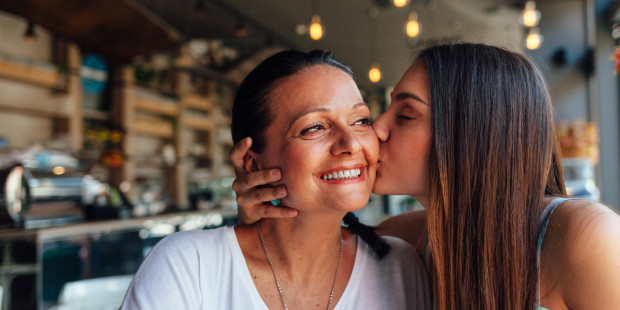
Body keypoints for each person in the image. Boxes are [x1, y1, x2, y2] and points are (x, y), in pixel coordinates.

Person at [230, 43, 620, 309]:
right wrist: (263, 216)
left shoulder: (585, 238)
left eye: (405, 115)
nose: (375, 130)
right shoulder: (405, 239)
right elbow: (303, 254)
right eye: (375, 115)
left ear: (471, 133)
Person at [120, 50, 431, 310]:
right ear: (253, 162)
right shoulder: (189, 266)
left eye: (361, 120)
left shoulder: (399, 266)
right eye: (314, 128)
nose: (351, 143)